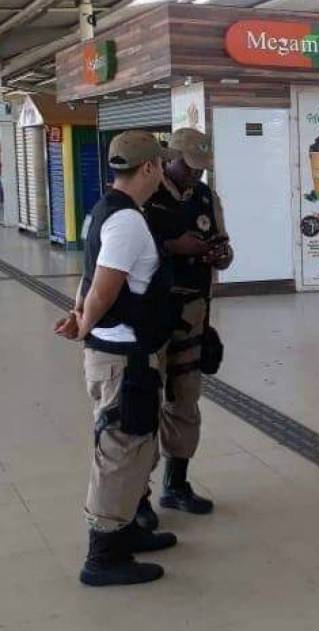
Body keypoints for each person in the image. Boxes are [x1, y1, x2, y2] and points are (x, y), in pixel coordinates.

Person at [54, 130, 182, 586]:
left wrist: (78, 316)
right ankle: (104, 556)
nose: (164, 172)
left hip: (120, 351)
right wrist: (84, 324)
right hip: (123, 356)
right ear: (148, 168)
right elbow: (105, 283)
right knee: (121, 449)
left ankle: (125, 532)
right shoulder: (127, 221)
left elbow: (88, 278)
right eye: (161, 166)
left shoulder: (105, 210)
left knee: (134, 446)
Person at [133, 128, 232, 529]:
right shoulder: (144, 198)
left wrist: (219, 253)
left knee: (185, 401)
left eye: (201, 170)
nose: (196, 177)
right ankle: (136, 496)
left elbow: (224, 246)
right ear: (167, 160)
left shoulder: (208, 198)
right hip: (149, 319)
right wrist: (174, 248)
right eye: (189, 168)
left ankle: (176, 483)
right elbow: (121, 255)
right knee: (142, 407)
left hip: (193, 317)